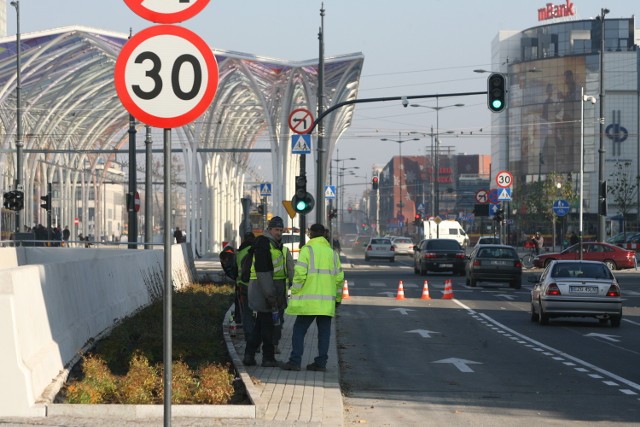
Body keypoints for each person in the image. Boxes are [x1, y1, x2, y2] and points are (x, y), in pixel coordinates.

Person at [281, 223, 344, 372]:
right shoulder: (332, 253)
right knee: (324, 333)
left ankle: (295, 361)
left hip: (308, 302)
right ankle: (321, 363)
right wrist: (338, 299)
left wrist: (294, 292)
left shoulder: (307, 250)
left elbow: (300, 274)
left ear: (310, 233)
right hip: (327, 302)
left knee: (299, 330)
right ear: (324, 234)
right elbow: (340, 278)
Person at [243, 216, 293, 368]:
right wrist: (271, 297)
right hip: (263, 292)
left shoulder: (275, 245)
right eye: (277, 230)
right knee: (268, 327)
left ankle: (249, 355)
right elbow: (264, 273)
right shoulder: (264, 245)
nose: (279, 233)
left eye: (281, 230)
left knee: (260, 326)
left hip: (268, 291)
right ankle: (268, 358)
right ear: (270, 229)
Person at [236, 232, 256, 345]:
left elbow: (236, 270)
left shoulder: (240, 252)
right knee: (260, 314)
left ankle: (249, 337)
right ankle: (258, 338)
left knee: (247, 313)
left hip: (243, 286)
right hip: (257, 287)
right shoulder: (258, 251)